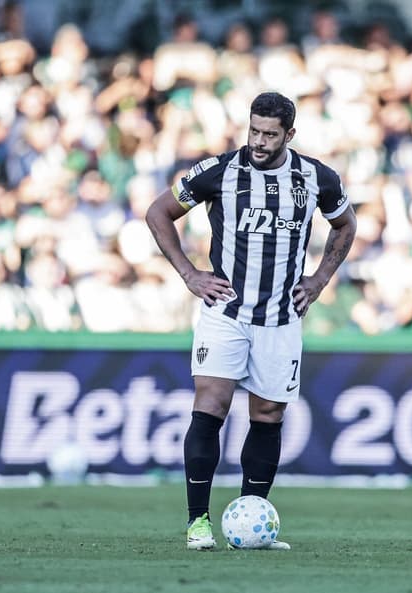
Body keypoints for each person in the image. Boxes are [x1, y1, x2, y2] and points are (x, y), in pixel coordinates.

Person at [145, 91, 357, 550]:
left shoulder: (316, 177)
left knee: (268, 415)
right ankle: (198, 522)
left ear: (289, 134)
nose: (259, 142)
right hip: (226, 311)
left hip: (281, 318)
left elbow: (346, 224)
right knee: (211, 404)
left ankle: (252, 519)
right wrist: (190, 274)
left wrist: (319, 280)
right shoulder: (218, 171)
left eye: (270, 134)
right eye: (254, 131)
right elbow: (158, 212)